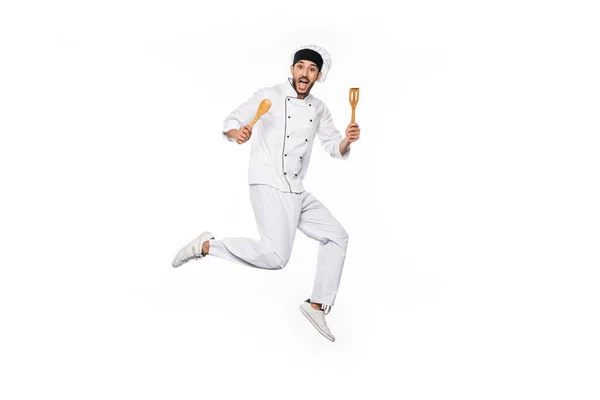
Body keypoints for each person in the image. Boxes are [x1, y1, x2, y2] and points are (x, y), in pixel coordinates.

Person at [171, 44, 360, 342]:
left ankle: (316, 304)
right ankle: (207, 246)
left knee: (337, 236)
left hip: (296, 188)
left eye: (311, 70)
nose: (305, 73)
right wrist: (237, 135)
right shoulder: (268, 95)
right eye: (301, 67)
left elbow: (333, 146)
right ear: (292, 69)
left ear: (318, 76)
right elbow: (231, 121)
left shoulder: (319, 108)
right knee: (276, 257)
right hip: (268, 180)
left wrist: (347, 141)